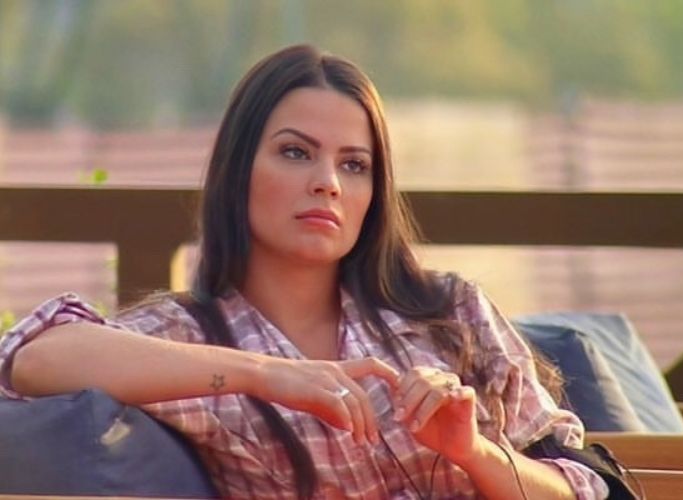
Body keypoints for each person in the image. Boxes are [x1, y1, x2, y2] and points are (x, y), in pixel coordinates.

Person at [0, 45, 608, 499]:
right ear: (238, 169)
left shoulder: (449, 311)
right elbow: (31, 357)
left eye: (354, 164)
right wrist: (267, 374)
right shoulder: (190, 336)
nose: (328, 182)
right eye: (295, 152)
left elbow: (586, 487)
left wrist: (473, 451)